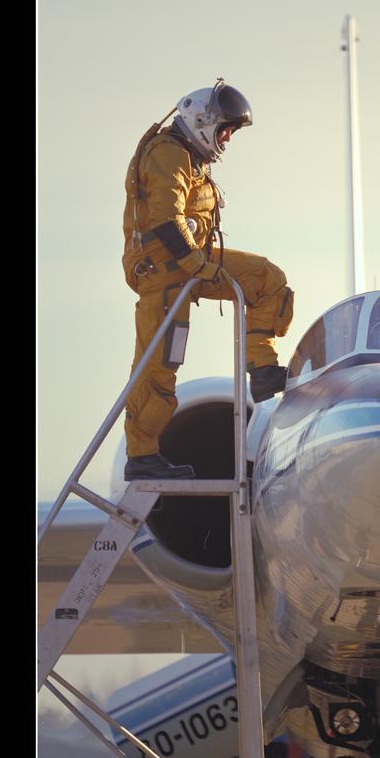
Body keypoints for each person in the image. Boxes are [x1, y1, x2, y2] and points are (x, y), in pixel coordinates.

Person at [120, 80, 294, 480]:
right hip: (165, 272)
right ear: (203, 121)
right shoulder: (168, 154)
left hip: (190, 264)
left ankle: (263, 371)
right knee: (159, 363)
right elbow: (167, 219)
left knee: (266, 279)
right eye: (226, 129)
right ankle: (142, 456)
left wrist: (201, 266)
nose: (228, 139)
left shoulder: (190, 157)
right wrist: (200, 267)